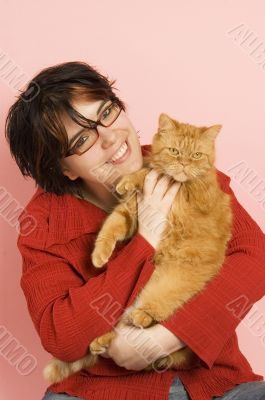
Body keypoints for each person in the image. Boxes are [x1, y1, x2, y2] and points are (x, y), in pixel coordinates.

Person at [5, 61, 265, 400]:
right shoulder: (44, 223)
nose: (110, 137)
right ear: (62, 169)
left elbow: (255, 256)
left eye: (108, 112)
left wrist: (167, 337)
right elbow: (60, 334)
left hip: (215, 384)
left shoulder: (187, 167)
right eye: (83, 138)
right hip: (100, 392)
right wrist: (145, 239)